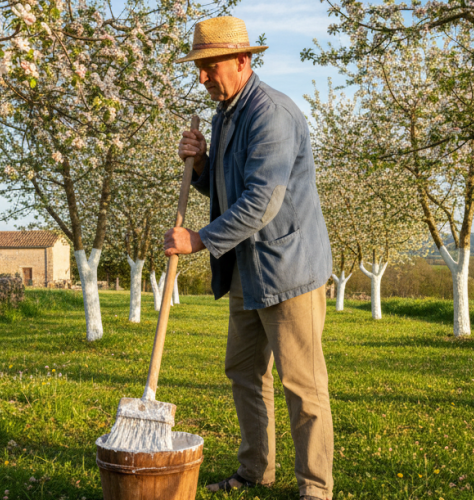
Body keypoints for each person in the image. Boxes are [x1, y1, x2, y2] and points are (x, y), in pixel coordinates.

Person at [164, 15, 335, 500]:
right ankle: (255, 469)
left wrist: (198, 240)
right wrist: (200, 164)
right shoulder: (227, 113)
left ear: (241, 61)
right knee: (243, 370)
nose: (202, 77)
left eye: (209, 66)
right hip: (248, 270)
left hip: (288, 269)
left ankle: (316, 490)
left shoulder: (270, 114)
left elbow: (262, 201)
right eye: (198, 67)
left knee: (302, 386)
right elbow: (227, 190)